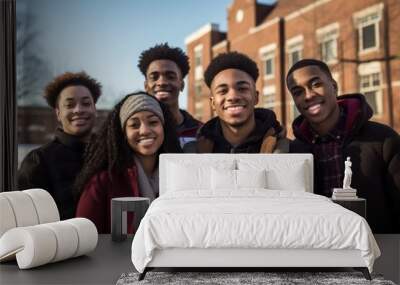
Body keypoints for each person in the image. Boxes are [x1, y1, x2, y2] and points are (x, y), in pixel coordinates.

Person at [287, 58, 400, 233]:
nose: (308, 95)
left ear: (333, 86)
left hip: (377, 253)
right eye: (298, 91)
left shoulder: (383, 139)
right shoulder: (293, 153)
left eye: (316, 84)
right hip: (316, 254)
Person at [74, 91, 182, 233]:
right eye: (134, 125)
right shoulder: (102, 183)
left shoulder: (181, 178)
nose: (144, 130)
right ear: (123, 134)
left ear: (164, 128)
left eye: (153, 122)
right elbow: (84, 237)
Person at [18, 71, 102, 220]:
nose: (78, 110)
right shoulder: (38, 161)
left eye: (86, 103)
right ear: (58, 113)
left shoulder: (108, 155)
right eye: (70, 105)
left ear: (94, 109)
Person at [188, 51, 288, 153]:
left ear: (256, 97)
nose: (233, 97)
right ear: (213, 103)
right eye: (223, 91)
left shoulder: (290, 150)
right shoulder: (192, 153)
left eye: (242, 88)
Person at [138, 43, 202, 147]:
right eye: (154, 77)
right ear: (146, 86)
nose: (162, 82)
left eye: (170, 77)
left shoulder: (202, 132)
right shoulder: (136, 133)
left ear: (182, 85)